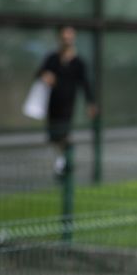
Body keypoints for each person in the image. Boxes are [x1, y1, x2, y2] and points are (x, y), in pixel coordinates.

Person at [36, 25, 97, 177]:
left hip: (68, 104)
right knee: (54, 136)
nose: (67, 40)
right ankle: (62, 162)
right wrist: (45, 76)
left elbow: (85, 84)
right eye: (64, 37)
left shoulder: (78, 62)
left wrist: (90, 103)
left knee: (64, 135)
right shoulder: (52, 58)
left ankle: (63, 165)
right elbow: (39, 73)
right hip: (52, 104)